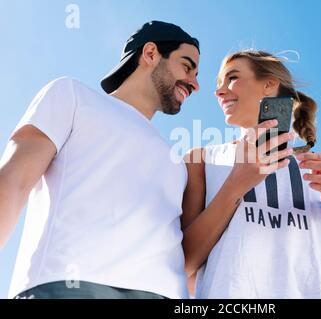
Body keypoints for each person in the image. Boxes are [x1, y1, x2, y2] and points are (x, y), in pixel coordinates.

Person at [0, 21, 200, 299]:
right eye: (187, 67)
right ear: (151, 53)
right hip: (68, 286)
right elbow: (13, 181)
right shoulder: (73, 96)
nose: (195, 83)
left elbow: (185, 258)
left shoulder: (178, 164)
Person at [181, 50, 321, 298]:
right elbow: (184, 263)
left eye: (232, 78)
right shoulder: (202, 160)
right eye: (219, 84)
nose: (219, 91)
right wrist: (236, 185)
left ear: (270, 84)